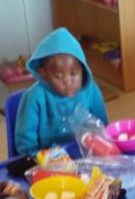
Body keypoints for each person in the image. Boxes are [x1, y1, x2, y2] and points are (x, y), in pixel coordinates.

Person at [14, 27, 108, 156]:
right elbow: (26, 140)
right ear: (43, 73)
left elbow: (102, 126)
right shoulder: (34, 97)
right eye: (58, 76)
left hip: (85, 151)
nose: (68, 81)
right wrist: (36, 157)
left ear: (82, 69)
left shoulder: (90, 89)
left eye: (74, 73)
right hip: (47, 157)